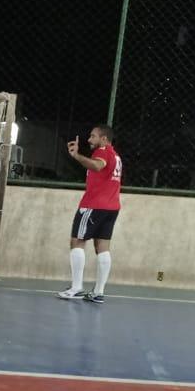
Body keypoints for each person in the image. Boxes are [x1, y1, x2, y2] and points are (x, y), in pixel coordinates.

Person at [55, 125, 123, 305]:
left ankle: (76, 288)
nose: (89, 139)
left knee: (77, 241)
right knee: (103, 246)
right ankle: (98, 292)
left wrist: (76, 156)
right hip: (112, 207)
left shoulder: (103, 152)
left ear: (104, 139)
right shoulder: (116, 156)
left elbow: (97, 166)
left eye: (93, 136)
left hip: (94, 205)